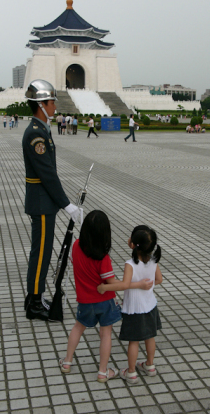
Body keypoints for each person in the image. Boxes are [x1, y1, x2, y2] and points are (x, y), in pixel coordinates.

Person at [59, 211, 152, 382]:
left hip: (85, 301)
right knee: (106, 334)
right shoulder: (103, 258)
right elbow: (111, 282)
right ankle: (103, 371)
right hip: (105, 301)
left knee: (78, 328)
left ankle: (67, 362)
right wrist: (137, 284)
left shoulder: (76, 246)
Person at [22, 79, 80, 321]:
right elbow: (47, 174)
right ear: (41, 104)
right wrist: (66, 204)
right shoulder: (36, 134)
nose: (55, 106)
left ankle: (34, 296)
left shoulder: (41, 129)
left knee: (42, 252)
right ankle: (35, 303)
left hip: (44, 202)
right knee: (42, 254)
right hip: (42, 202)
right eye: (52, 102)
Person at [98, 225, 163, 384]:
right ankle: (150, 366)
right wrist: (148, 285)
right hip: (150, 305)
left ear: (132, 244)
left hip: (134, 309)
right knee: (150, 336)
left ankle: (131, 372)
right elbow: (159, 280)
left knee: (134, 341)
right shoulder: (153, 260)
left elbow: (125, 285)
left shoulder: (130, 264)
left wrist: (104, 287)